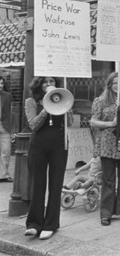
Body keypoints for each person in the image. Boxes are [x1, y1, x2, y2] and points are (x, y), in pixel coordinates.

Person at [90, 72, 120, 226]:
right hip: (107, 143)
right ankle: (106, 212)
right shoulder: (100, 101)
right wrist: (110, 123)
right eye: (115, 83)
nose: (119, 86)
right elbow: (93, 121)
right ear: (110, 84)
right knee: (108, 178)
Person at [24, 77, 69, 240]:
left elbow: (69, 123)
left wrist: (65, 107)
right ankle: (34, 224)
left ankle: (51, 224)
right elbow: (33, 125)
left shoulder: (61, 99)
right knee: (37, 183)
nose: (49, 84)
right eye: (45, 82)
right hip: (38, 146)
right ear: (39, 85)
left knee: (56, 184)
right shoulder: (31, 101)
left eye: (52, 81)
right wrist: (46, 107)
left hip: (59, 144)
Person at [0, 76, 13, 183]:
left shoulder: (7, 96)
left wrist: (12, 130)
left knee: (6, 151)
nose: (0, 86)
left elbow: (10, 113)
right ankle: (3, 174)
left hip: (4, 126)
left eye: (1, 84)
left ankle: (4, 174)